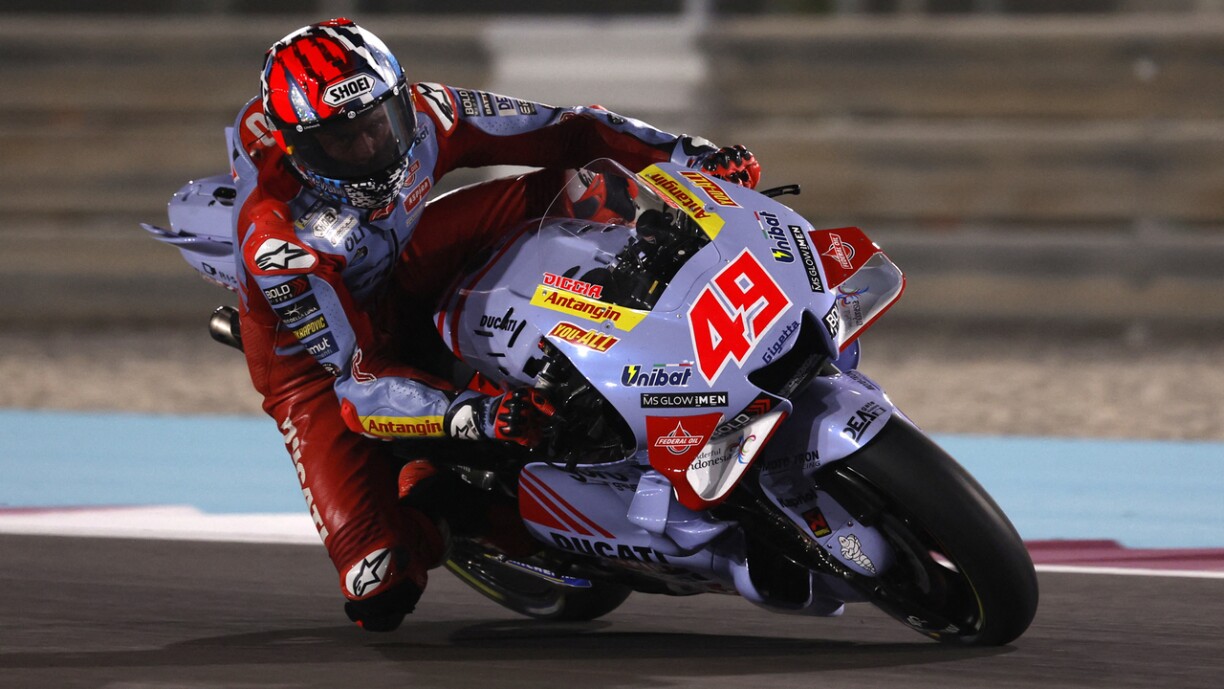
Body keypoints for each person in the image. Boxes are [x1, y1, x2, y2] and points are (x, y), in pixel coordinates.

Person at [230, 17, 762, 632]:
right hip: (321, 363)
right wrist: (478, 416)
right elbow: (358, 385)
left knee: (588, 185)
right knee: (379, 585)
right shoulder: (280, 244)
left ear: (401, 98)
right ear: (297, 149)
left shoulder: (431, 113)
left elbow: (572, 127)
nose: (371, 149)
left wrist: (690, 157)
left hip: (406, 261)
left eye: (380, 124)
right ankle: (449, 498)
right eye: (340, 142)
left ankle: (649, 318)